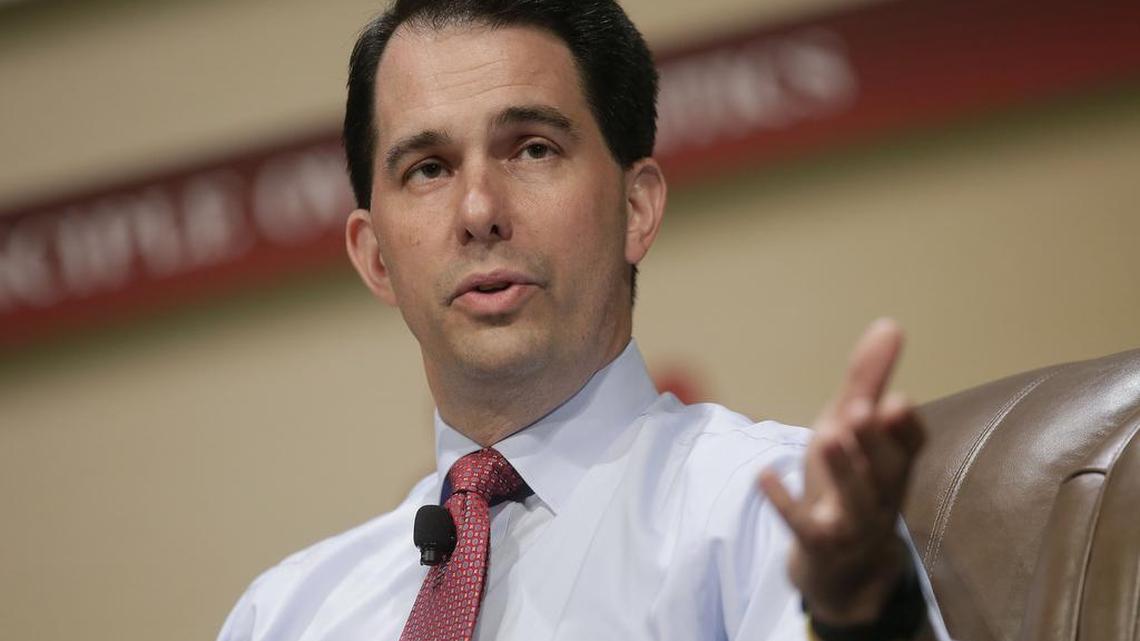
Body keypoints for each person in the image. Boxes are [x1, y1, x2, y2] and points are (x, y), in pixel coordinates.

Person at [218, 1, 953, 639]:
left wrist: (862, 617)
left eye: (532, 149)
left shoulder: (767, 514)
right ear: (374, 255)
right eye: (430, 168)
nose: (479, 211)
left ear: (637, 208)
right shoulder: (285, 614)